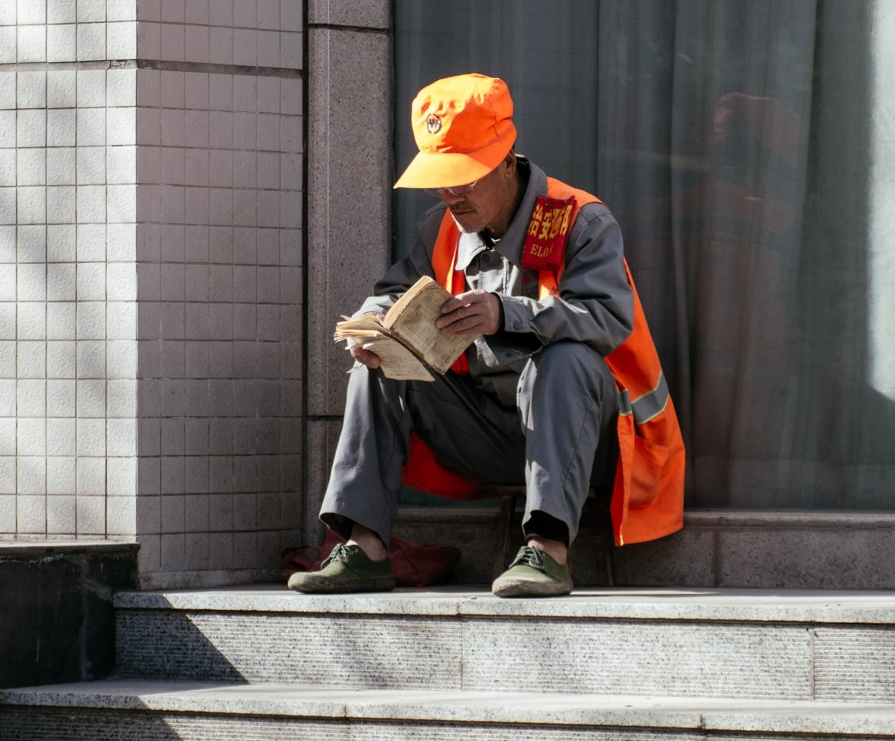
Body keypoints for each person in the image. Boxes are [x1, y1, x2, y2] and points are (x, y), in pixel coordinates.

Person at [292, 73, 684, 598]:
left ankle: (547, 552)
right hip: (492, 433)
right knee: (379, 367)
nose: (451, 193)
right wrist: (373, 327)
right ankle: (365, 548)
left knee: (562, 359)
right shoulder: (442, 227)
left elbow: (608, 320)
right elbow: (395, 289)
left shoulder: (581, 220)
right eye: (441, 178)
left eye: (465, 177)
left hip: (599, 441)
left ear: (505, 161)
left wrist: (508, 314)